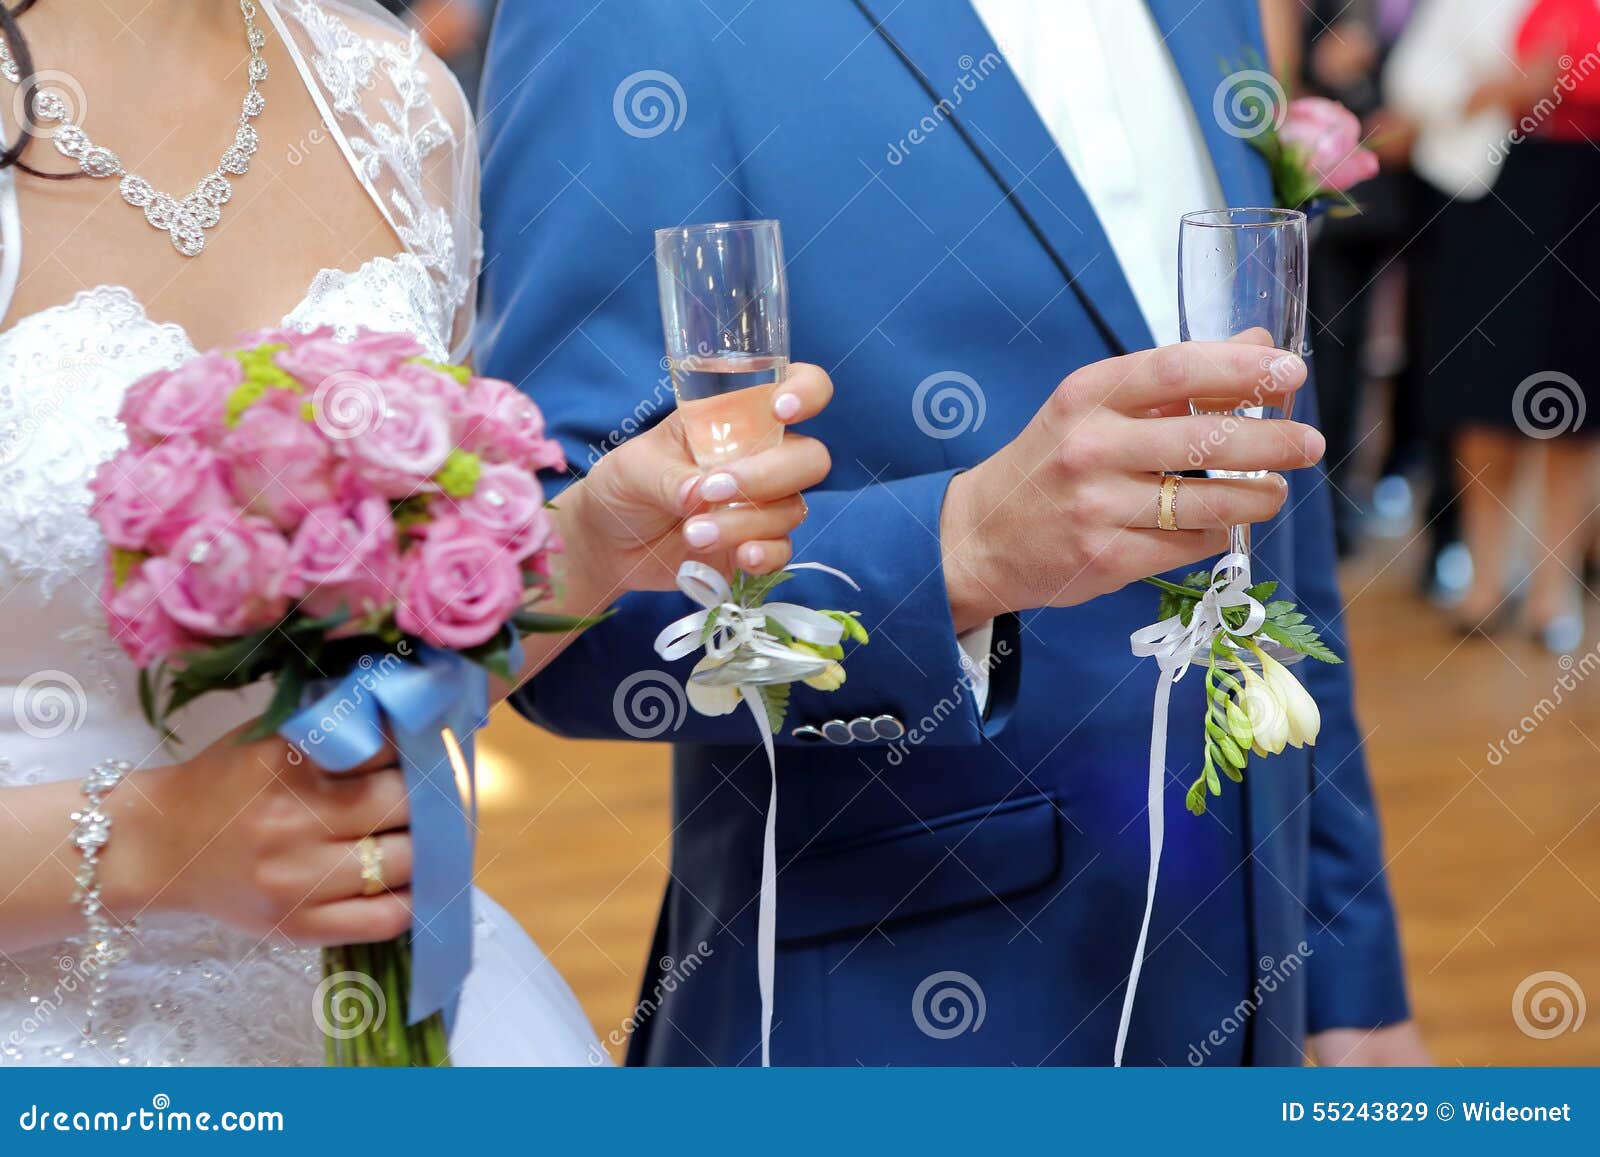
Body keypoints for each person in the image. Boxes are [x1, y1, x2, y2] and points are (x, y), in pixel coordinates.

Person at [479, 0, 1425, 1065]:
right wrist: (955, 551)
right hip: (904, 996)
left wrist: (1348, 974)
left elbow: (1270, 496)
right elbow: (546, 619)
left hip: (1251, 979)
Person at [0, 0, 831, 1065]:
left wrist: (595, 539)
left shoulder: (395, 102)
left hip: (399, 995)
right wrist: (157, 839)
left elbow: (390, 681)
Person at [1388, 0, 1600, 653]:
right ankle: (1484, 577)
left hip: (1589, 195)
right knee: (1485, 389)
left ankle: (1552, 591)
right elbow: (1411, 81)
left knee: (1577, 396)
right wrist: (1501, 89)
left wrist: (1569, 79)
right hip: (1497, 191)